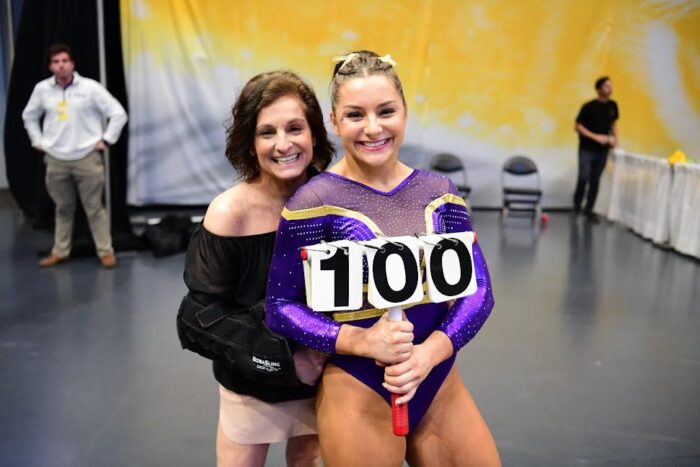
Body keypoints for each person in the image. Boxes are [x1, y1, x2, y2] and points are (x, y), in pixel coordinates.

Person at [266, 51, 500, 466]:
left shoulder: (440, 192)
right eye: (355, 115)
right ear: (335, 122)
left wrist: (430, 355)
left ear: (405, 114)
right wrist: (359, 340)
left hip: (438, 381)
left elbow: (479, 290)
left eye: (386, 111)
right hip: (359, 387)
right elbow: (280, 307)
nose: (373, 128)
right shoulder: (314, 202)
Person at [178, 71, 334, 467]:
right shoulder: (230, 212)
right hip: (252, 386)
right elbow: (198, 318)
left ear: (314, 135)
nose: (283, 144)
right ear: (250, 142)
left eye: (294, 128)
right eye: (267, 132)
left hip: (327, 381)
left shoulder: (336, 202)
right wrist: (284, 359)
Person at [22, 43, 128, 268]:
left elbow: (118, 113)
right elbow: (29, 116)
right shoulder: (42, 89)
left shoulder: (90, 88)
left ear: (72, 64)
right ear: (51, 66)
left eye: (64, 61)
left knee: (94, 208)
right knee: (62, 208)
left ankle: (105, 251)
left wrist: (107, 139)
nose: (61, 65)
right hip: (56, 158)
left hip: (87, 157)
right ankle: (60, 251)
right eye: (56, 62)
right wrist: (38, 141)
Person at [573, 76, 619, 223]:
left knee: (595, 179)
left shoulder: (613, 105)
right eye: (606, 86)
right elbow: (578, 126)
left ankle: (589, 209)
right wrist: (595, 137)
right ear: (598, 89)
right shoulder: (588, 106)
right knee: (583, 177)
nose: (609, 89)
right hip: (587, 148)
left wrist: (615, 140)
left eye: (610, 86)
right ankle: (577, 206)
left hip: (602, 150)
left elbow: (614, 124)